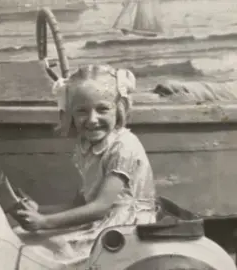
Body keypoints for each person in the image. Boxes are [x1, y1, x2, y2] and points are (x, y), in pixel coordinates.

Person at [15, 64, 157, 267]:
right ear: (70, 113)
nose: (92, 120)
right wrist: (42, 210)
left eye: (102, 109)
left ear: (118, 109)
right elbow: (81, 202)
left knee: (43, 253)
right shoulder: (87, 145)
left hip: (125, 227)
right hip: (103, 220)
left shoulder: (123, 146)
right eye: (82, 111)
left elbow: (100, 207)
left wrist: (44, 222)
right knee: (23, 236)